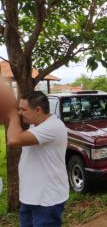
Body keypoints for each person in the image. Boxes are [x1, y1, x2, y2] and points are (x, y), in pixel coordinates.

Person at [6, 91, 69, 226]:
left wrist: (12, 116)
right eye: (18, 110)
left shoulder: (53, 127)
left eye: (23, 109)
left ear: (38, 110)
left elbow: (13, 139)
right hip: (31, 197)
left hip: (47, 200)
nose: (19, 113)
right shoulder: (36, 125)